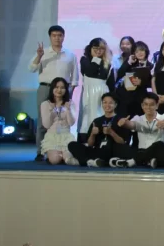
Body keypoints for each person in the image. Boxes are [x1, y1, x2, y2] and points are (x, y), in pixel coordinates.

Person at [29, 25, 78, 161]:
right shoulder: (43, 53)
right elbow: (31, 69)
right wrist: (39, 56)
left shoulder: (70, 55)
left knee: (63, 120)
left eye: (60, 35)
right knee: (43, 121)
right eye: (54, 35)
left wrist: (69, 93)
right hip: (45, 88)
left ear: (63, 37)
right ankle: (40, 152)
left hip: (63, 90)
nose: (57, 38)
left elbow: (74, 77)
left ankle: (62, 148)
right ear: (50, 37)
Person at [112, 92, 164, 168]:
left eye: (151, 104)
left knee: (160, 145)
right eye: (146, 104)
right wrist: (124, 123)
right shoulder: (138, 118)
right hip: (142, 151)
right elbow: (132, 124)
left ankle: (133, 161)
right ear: (142, 106)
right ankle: (149, 161)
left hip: (159, 151)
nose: (148, 107)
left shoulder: (163, 116)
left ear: (157, 105)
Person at [68, 93, 129, 167]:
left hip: (112, 151)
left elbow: (122, 142)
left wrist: (111, 132)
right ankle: (93, 162)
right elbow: (90, 144)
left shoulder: (120, 120)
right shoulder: (97, 121)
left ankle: (90, 161)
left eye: (110, 103)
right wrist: (92, 134)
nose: (107, 105)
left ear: (115, 105)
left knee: (121, 150)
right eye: (105, 102)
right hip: (97, 151)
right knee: (72, 145)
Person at [78, 38, 114, 142]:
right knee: (87, 115)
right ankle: (85, 140)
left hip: (102, 92)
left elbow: (111, 83)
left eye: (101, 49)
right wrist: (96, 58)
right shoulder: (84, 60)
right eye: (95, 48)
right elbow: (90, 71)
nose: (98, 51)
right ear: (90, 48)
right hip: (89, 93)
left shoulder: (108, 63)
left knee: (101, 114)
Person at [39, 77, 78, 165]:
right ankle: (56, 156)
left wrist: (68, 110)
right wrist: (51, 112)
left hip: (66, 136)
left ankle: (66, 157)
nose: (59, 90)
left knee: (68, 158)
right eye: (56, 87)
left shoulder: (70, 103)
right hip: (52, 137)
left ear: (66, 90)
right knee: (55, 160)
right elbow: (46, 125)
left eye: (62, 88)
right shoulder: (45, 104)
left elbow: (71, 123)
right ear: (52, 88)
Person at [115, 41, 153, 118]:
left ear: (146, 51)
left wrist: (141, 83)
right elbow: (120, 74)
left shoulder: (151, 66)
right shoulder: (130, 63)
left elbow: (152, 83)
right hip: (127, 100)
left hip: (142, 100)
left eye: (141, 50)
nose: (139, 53)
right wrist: (128, 62)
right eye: (137, 51)